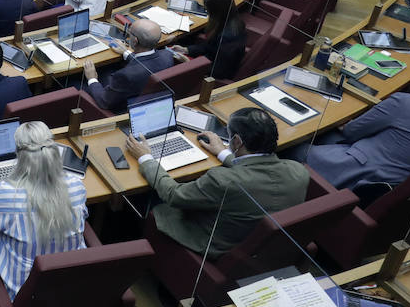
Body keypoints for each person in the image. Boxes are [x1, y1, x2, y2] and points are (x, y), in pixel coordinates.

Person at [126, 107, 308, 258]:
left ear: (236, 141)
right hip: (259, 249)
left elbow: (174, 195)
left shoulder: (222, 180)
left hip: (211, 245)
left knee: (142, 197)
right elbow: (258, 172)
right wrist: (223, 153)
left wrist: (147, 158)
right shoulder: (298, 172)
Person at [297, 64, 410, 190]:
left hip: (354, 173)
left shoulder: (404, 102)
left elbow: (352, 132)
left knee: (295, 145)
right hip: (391, 186)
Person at [0, 120, 87, 298]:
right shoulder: (76, 186)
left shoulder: (5, 195)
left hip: (25, 296)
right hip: (72, 287)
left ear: (19, 156)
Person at [82, 19, 175, 113]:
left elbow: (104, 101)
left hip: (122, 108)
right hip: (147, 97)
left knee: (77, 83)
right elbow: (147, 63)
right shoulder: (167, 55)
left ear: (135, 41)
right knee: (107, 71)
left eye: (130, 33)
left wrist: (92, 79)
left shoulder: (126, 75)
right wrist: (126, 52)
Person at [168, 0, 247, 79]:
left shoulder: (228, 36)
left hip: (212, 76)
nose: (207, 12)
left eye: (207, 10)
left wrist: (188, 63)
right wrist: (186, 50)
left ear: (216, 11)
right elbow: (210, 46)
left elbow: (218, 72)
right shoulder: (231, 21)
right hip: (209, 60)